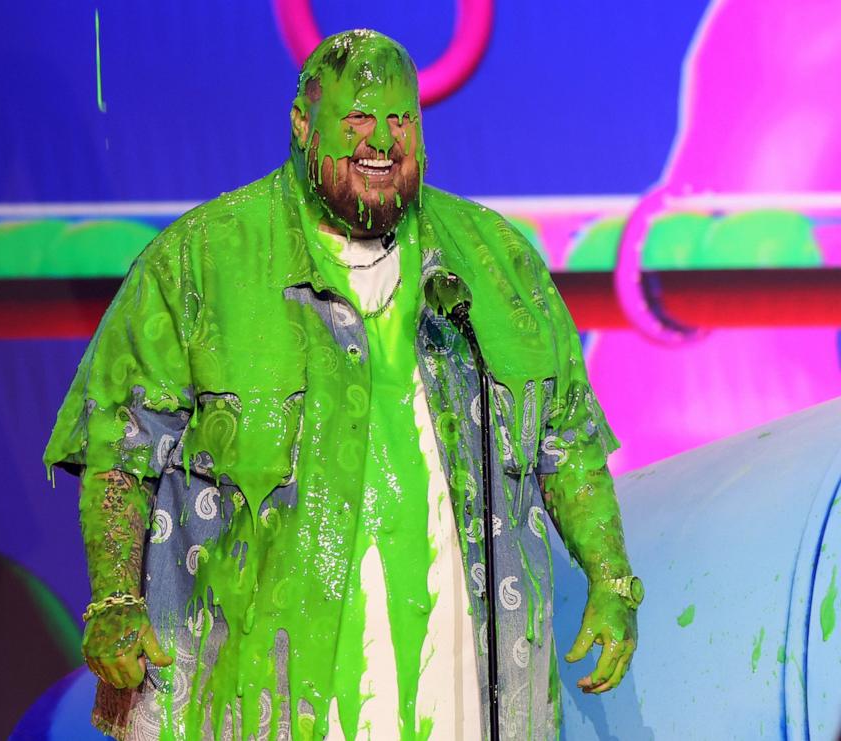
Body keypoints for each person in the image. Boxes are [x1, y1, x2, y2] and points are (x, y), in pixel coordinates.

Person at [44, 29, 642, 741]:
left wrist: (610, 577)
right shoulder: (200, 260)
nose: (381, 140)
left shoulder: (495, 261)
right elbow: (121, 446)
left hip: (465, 686)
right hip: (261, 692)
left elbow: (564, 439)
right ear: (304, 125)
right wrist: (114, 594)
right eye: (358, 118)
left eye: (400, 119)